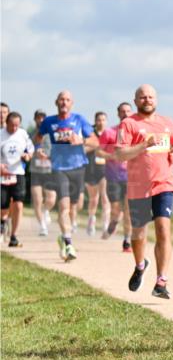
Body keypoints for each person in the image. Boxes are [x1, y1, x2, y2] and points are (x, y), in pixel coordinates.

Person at [115, 84, 173, 299]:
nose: (147, 100)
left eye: (151, 97)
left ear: (156, 100)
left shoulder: (166, 122)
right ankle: (140, 264)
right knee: (139, 233)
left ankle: (161, 281)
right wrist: (143, 145)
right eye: (142, 97)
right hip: (138, 186)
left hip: (163, 183)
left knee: (163, 229)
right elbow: (120, 154)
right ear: (135, 101)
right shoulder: (129, 124)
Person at [34, 91, 99, 261]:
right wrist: (38, 149)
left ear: (72, 103)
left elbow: (95, 142)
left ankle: (63, 237)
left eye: (67, 100)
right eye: (61, 99)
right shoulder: (49, 121)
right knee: (64, 206)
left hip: (78, 167)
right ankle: (69, 243)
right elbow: (38, 137)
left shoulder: (79, 120)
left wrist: (81, 140)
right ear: (56, 102)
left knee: (75, 207)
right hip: (59, 168)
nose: (64, 102)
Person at [98, 102, 133, 251]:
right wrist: (112, 156)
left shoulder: (136, 133)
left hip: (131, 177)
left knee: (128, 210)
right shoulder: (109, 133)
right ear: (118, 114)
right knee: (116, 209)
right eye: (122, 111)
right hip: (113, 177)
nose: (125, 114)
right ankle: (113, 221)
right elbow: (99, 152)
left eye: (128, 111)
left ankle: (127, 241)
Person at [1, 112, 35, 247]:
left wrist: (28, 156)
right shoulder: (1, 134)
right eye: (11, 125)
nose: (14, 128)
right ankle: (2, 224)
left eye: (17, 125)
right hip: (2, 174)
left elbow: (30, 150)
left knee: (18, 204)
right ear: (6, 123)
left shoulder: (23, 134)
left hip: (18, 173)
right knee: (3, 206)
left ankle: (14, 236)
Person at [28, 110, 57, 236]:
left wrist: (49, 157)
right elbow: (26, 149)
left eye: (42, 118)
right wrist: (35, 152)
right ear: (35, 119)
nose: (40, 120)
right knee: (37, 200)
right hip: (35, 171)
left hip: (49, 171)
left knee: (51, 199)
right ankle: (42, 226)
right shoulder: (30, 134)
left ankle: (46, 211)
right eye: (38, 118)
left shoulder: (52, 133)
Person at [83, 111, 111, 236]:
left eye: (103, 120)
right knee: (94, 199)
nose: (101, 122)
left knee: (105, 197)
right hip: (91, 169)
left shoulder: (110, 134)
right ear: (95, 121)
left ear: (106, 121)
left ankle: (106, 225)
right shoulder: (90, 134)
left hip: (105, 170)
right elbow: (83, 149)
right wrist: (96, 145)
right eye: (99, 120)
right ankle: (91, 219)